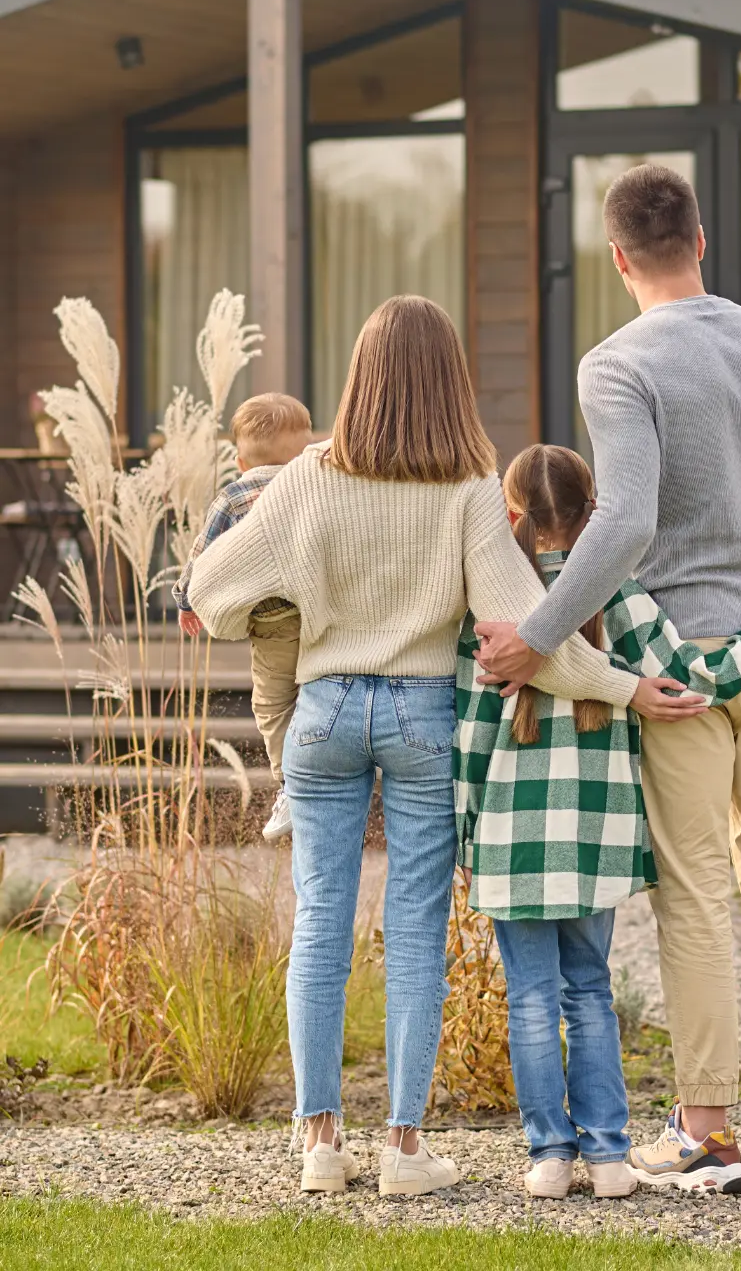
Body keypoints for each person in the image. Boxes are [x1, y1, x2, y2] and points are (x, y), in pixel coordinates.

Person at [186, 295, 677, 1199]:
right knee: (413, 936)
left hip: (322, 711)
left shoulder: (304, 479)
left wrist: (287, 608)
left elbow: (208, 591)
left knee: (321, 926)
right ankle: (403, 1151)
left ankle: (320, 1146)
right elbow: (529, 637)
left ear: (359, 377)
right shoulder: (463, 495)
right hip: (420, 720)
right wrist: (625, 684)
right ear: (449, 382)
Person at [473, 165, 741, 1191]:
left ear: (614, 258)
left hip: (676, 666)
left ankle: (708, 1135)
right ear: (698, 237)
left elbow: (627, 516)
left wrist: (536, 634)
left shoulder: (616, 362)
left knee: (693, 895)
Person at [456, 443, 741, 1200]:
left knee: (528, 998)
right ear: (597, 517)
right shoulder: (618, 593)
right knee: (589, 990)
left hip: (512, 842)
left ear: (508, 514)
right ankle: (610, 1157)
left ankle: (550, 1157)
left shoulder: (490, 603)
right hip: (598, 836)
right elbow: (691, 680)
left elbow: (469, 733)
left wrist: (467, 832)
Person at [173, 392, 313, 842]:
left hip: (273, 624)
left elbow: (202, 555)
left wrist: (185, 599)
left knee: (273, 704)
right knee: (316, 695)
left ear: (239, 461)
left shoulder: (234, 497)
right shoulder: (317, 485)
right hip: (326, 614)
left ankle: (291, 785)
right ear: (306, 449)